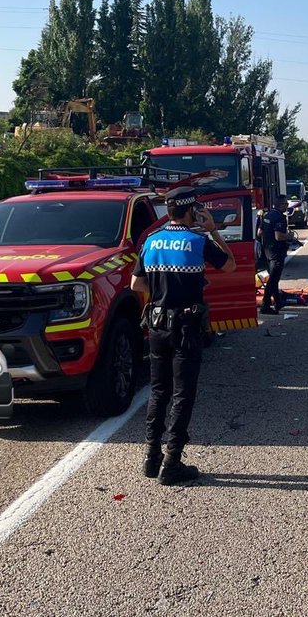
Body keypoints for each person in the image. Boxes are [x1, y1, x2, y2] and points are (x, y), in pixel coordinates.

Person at [131, 186, 235, 484]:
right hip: (186, 327)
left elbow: (136, 285)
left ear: (168, 211)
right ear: (191, 211)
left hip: (156, 325)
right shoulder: (198, 241)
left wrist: (162, 291)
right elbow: (230, 265)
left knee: (158, 391)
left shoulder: (151, 240)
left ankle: (151, 457)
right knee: (182, 394)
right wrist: (213, 230)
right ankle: (172, 462)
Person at [259, 194, 291, 315]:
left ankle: (278, 302)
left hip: (267, 251)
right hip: (277, 252)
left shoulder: (267, 215)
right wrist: (289, 237)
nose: (287, 206)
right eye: (286, 204)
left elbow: (259, 232)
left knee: (274, 278)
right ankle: (265, 305)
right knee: (273, 279)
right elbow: (278, 236)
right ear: (281, 205)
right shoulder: (280, 217)